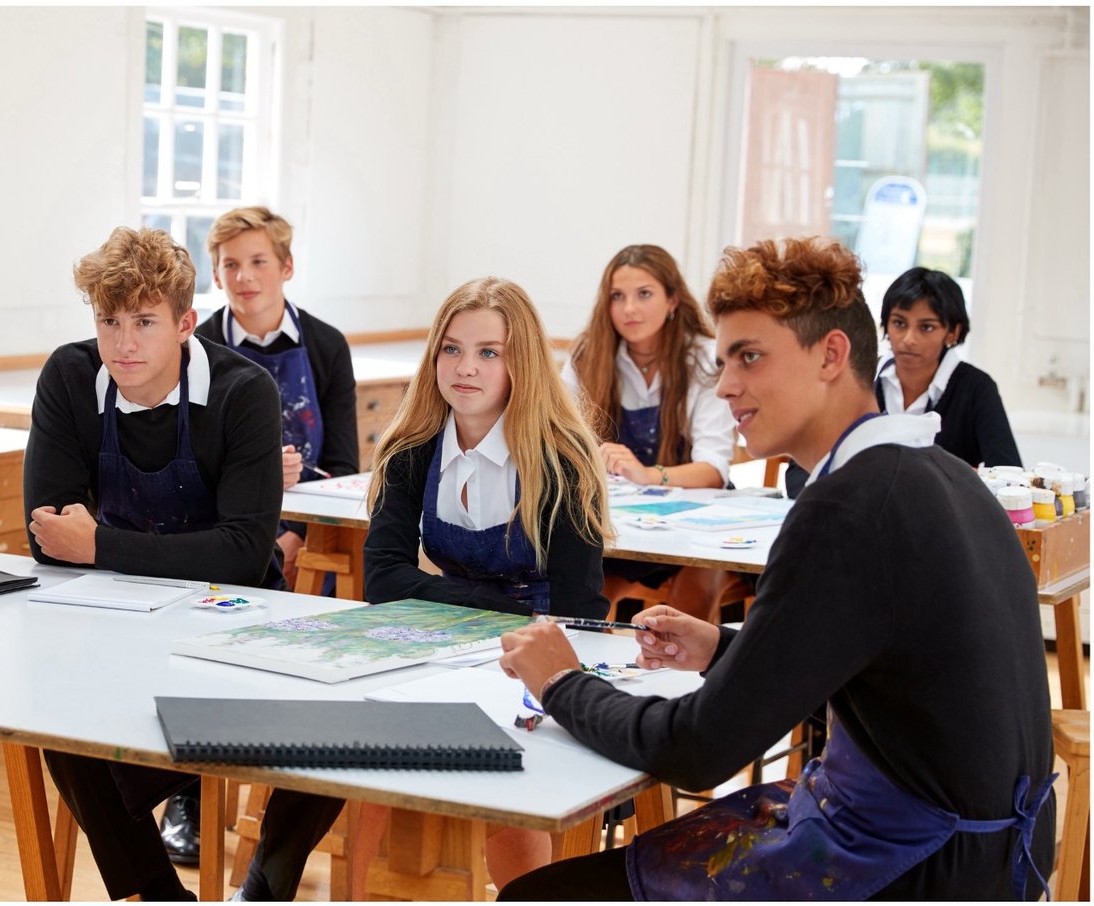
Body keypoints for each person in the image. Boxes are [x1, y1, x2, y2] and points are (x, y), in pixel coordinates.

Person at [497, 237, 1055, 901]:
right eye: (726, 360)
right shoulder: (942, 477)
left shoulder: (847, 507)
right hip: (993, 861)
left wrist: (560, 680)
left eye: (750, 357)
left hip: (914, 867)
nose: (727, 384)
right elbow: (895, 677)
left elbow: (698, 751)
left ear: (832, 355)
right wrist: (726, 650)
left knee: (539, 895)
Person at [263, 276, 614, 891]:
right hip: (437, 637)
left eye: (488, 352)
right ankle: (276, 885)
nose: (465, 368)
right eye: (450, 349)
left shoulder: (562, 459)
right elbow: (383, 578)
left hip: (535, 654)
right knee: (345, 728)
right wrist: (496, 605)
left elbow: (578, 607)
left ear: (521, 362)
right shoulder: (410, 449)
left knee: (502, 777)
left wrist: (469, 609)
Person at [23, 226, 335, 901]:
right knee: (59, 724)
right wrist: (111, 554)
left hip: (243, 614)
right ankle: (158, 896)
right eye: (108, 321)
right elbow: (49, 535)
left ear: (186, 323)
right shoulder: (71, 378)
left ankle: (266, 884)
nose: (124, 343)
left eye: (144, 322)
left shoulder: (241, 392)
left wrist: (102, 545)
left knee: (339, 722)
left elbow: (244, 550)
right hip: (116, 616)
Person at [563, 244, 737, 621]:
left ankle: (687, 678)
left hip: (698, 517)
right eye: (617, 297)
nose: (629, 309)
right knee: (582, 597)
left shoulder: (706, 360)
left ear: (673, 300)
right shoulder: (587, 358)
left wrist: (647, 475)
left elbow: (714, 468)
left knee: (691, 599)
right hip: (619, 523)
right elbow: (562, 444)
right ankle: (590, 677)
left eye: (644, 294)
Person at [194, 205, 359, 584]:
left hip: (312, 539)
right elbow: (190, 465)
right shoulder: (196, 350)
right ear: (216, 277)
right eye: (230, 265)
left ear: (287, 267)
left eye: (258, 261)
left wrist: (298, 537)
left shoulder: (327, 346)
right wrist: (259, 475)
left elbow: (343, 465)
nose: (244, 277)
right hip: (221, 537)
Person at [781, 265, 1022, 496]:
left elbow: (1009, 476)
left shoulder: (977, 388)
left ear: (953, 332)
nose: (908, 339)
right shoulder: (859, 376)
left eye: (926, 327)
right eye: (899, 323)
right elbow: (800, 470)